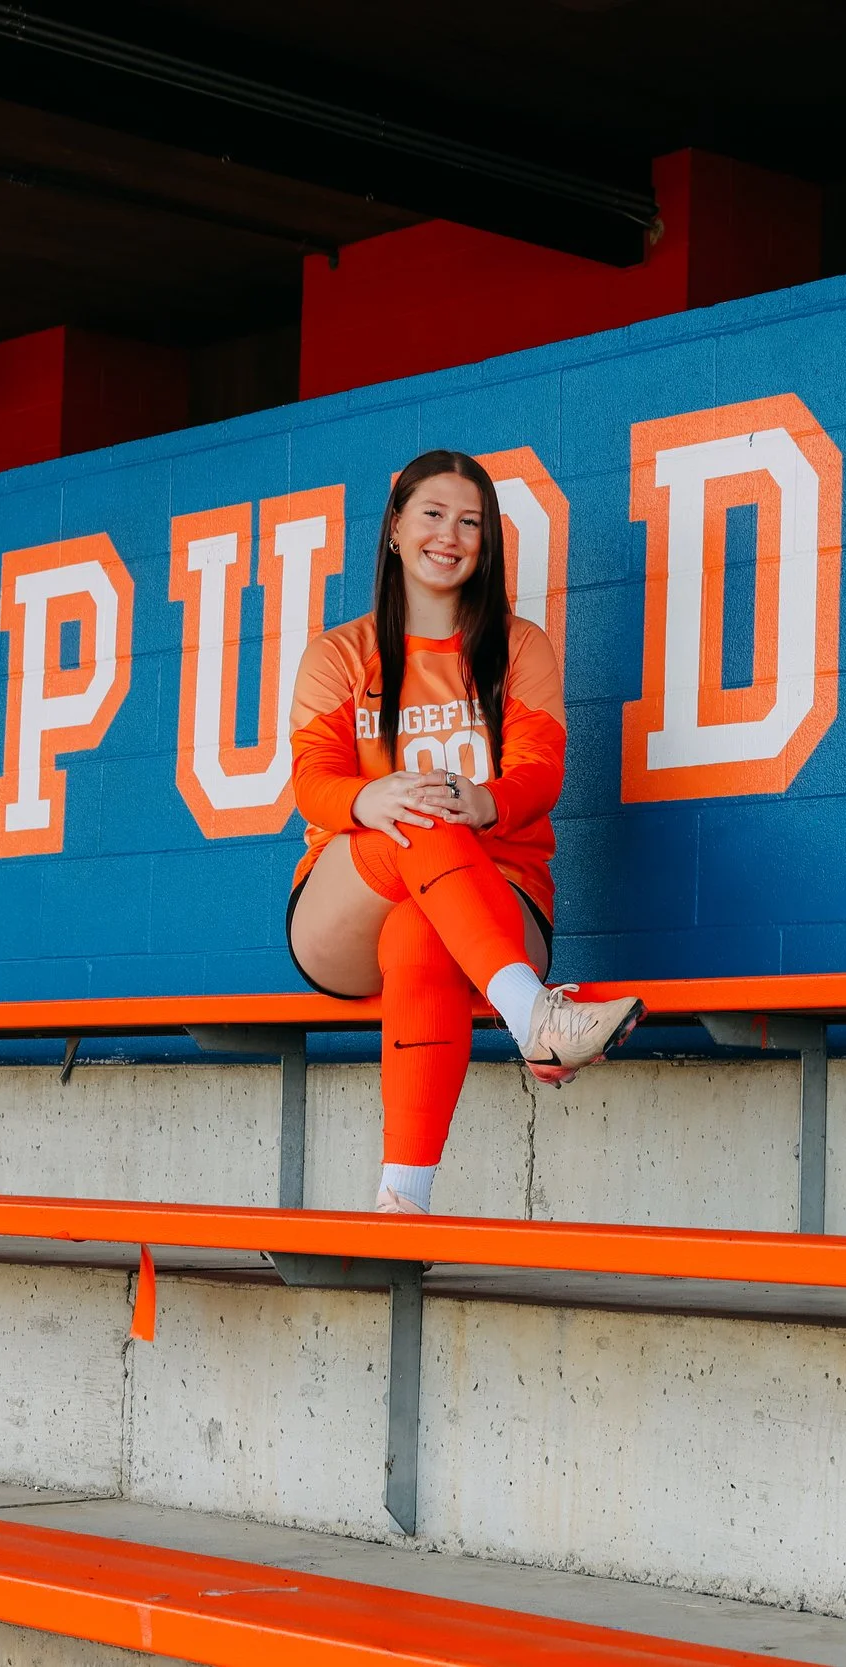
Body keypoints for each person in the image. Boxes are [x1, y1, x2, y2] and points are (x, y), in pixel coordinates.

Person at [285, 448, 641, 1214]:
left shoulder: (519, 646)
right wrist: (367, 798)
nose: (451, 535)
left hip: (496, 902)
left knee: (421, 927)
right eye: (434, 514)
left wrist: (487, 801)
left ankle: (400, 1197)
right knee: (415, 810)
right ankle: (535, 1014)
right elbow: (310, 780)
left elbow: (542, 769)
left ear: (489, 543)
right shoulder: (339, 655)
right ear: (394, 529)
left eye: (471, 521)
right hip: (346, 902)